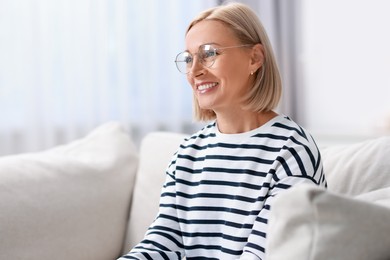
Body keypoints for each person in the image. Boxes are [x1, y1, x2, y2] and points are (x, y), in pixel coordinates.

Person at [119, 2, 326, 259]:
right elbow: (163, 243)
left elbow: (264, 254)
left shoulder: (291, 150)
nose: (194, 71)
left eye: (209, 54)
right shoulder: (188, 153)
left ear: (255, 58)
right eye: (189, 58)